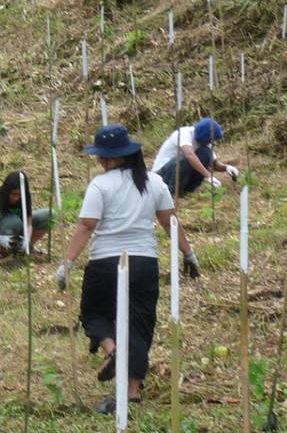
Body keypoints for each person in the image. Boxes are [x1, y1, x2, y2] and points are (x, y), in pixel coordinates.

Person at [56, 125, 200, 414]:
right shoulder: (154, 182)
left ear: (109, 158)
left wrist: (66, 264)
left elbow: (86, 226)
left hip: (106, 262)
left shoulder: (100, 185)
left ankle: (112, 349)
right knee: (140, 323)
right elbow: (169, 222)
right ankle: (133, 390)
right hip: (144, 262)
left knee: (94, 313)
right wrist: (189, 253)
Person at [152, 117, 239, 197]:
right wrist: (208, 176)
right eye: (211, 140)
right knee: (186, 160)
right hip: (161, 176)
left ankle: (187, 190)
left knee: (206, 153)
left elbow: (214, 164)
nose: (213, 143)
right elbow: (190, 156)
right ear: (204, 136)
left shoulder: (205, 143)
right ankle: (171, 192)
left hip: (178, 174)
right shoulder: (183, 134)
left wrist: (227, 168)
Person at [0, 170, 50, 260]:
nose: (16, 198)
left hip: (18, 229)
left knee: (48, 215)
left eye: (19, 195)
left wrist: (27, 239)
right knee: (14, 221)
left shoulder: (25, 197)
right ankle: (2, 251)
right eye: (13, 194)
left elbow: (28, 223)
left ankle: (26, 247)